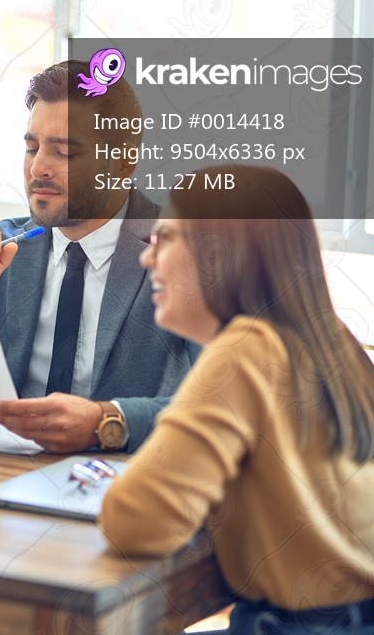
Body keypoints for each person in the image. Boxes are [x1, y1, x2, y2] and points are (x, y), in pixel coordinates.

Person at [101, 165, 374, 634]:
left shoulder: (245, 349)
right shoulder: (331, 339)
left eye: (167, 237)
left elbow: (135, 522)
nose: (147, 257)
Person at [0, 60, 196, 453]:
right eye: (31, 148)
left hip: (130, 475)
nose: (38, 167)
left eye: (64, 152)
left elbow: (235, 401)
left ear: (124, 162)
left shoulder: (187, 252)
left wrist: (106, 421)